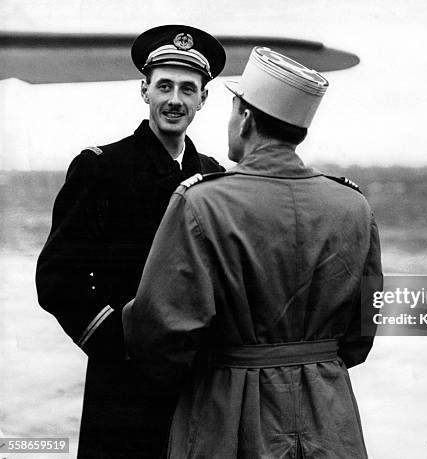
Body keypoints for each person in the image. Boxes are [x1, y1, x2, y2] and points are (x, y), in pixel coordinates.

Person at [123, 46, 382, 458]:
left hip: (228, 408)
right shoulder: (353, 205)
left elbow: (161, 330)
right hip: (329, 409)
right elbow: (362, 332)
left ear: (244, 118)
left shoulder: (202, 202)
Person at [35, 25, 226, 458]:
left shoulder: (215, 177)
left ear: (203, 99)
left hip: (197, 382)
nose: (174, 100)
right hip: (123, 385)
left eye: (187, 89)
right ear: (144, 91)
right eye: (164, 86)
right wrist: (116, 344)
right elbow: (56, 277)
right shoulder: (101, 168)